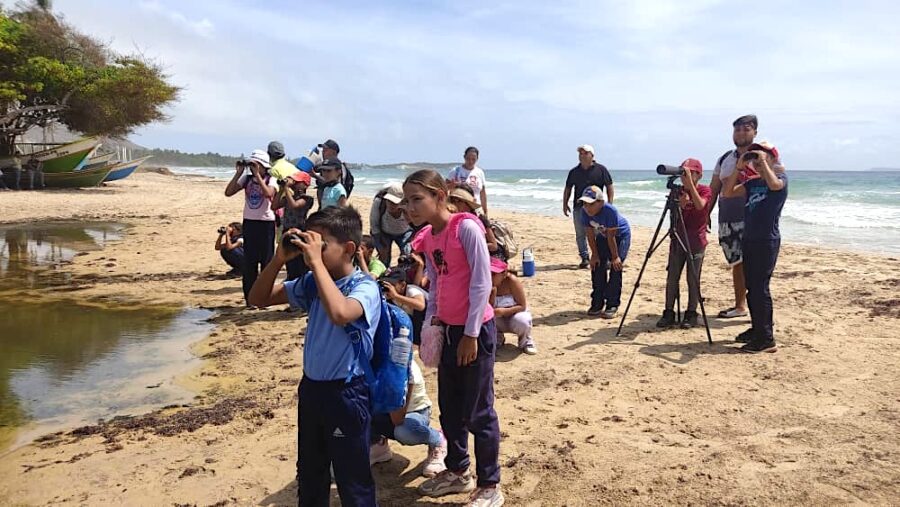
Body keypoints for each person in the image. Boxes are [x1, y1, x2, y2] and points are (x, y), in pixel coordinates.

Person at [247, 206, 381, 506]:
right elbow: (257, 299)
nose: (312, 250)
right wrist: (279, 258)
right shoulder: (311, 283)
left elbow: (340, 312)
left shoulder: (365, 287)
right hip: (312, 389)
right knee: (310, 471)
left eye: (321, 244)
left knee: (352, 476)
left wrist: (315, 264)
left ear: (349, 249)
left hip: (347, 392)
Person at [405, 170, 504, 506]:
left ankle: (490, 484)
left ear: (440, 196)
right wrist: (433, 322)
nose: (410, 207)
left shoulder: (466, 229)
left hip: (475, 331)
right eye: (407, 200)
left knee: (479, 410)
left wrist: (471, 334)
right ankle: (458, 471)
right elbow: (435, 282)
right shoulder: (429, 237)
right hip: (448, 330)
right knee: (449, 408)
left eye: (418, 199)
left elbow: (481, 284)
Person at [722, 141, 788, 353]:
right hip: (749, 239)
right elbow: (728, 192)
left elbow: (775, 185)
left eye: (763, 156)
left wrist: (763, 163)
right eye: (755, 158)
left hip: (766, 241)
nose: (757, 161)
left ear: (773, 159)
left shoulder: (780, 180)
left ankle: (766, 339)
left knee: (760, 289)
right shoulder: (751, 183)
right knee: (752, 288)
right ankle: (758, 328)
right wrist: (739, 167)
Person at [709, 115, 767, 319]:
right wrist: (705, 214)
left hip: (754, 219)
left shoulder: (763, 157)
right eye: (737, 130)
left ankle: (758, 308)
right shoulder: (725, 159)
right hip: (727, 218)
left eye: (746, 129)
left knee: (755, 264)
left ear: (755, 132)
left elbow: (776, 182)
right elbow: (714, 189)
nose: (741, 133)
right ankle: (740, 306)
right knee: (737, 263)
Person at [656, 159, 712, 329]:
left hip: (695, 240)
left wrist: (690, 191)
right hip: (677, 239)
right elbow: (672, 216)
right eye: (684, 173)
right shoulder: (678, 191)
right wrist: (678, 204)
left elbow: (701, 205)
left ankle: (691, 313)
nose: (685, 177)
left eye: (690, 173)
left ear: (699, 175)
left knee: (692, 278)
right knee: (672, 276)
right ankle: (669, 312)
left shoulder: (704, 190)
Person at [370, 359, 449, 478]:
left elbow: (397, 418)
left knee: (404, 432)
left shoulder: (399, 362)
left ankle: (438, 440)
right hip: (387, 412)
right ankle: (377, 444)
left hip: (414, 412)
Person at [224, 149, 277, 306]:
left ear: (263, 166)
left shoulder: (271, 179)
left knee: (266, 263)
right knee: (249, 264)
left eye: (256, 164)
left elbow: (269, 194)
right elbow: (228, 192)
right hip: (250, 223)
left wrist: (259, 177)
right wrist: (239, 173)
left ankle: (266, 298)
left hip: (266, 224)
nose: (253, 168)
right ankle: (250, 300)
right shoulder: (246, 179)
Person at [580, 185, 630, 319]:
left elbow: (611, 236)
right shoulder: (584, 212)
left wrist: (615, 257)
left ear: (600, 202)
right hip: (602, 236)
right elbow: (590, 234)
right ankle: (597, 301)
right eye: (584, 203)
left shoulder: (610, 211)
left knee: (615, 267)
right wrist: (594, 255)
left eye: (590, 204)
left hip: (619, 236)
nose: (587, 207)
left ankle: (612, 304)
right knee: (597, 266)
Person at [563, 144, 614, 269]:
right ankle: (585, 258)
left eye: (585, 153)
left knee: (600, 233)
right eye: (580, 153)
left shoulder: (601, 170)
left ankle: (602, 257)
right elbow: (568, 188)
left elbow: (609, 186)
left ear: (592, 155)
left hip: (597, 209)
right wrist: (565, 203)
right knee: (581, 233)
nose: (582, 156)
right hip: (579, 207)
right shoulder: (574, 172)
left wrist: (610, 203)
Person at [272, 171, 315, 281]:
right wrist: (281, 189)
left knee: (299, 262)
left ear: (305, 184)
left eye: (297, 182)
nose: (294, 183)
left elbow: (294, 205)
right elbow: (274, 206)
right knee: (289, 261)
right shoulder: (288, 197)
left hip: (299, 231)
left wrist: (286, 188)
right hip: (286, 230)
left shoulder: (307, 199)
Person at [489, 258, 536, 354]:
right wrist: (493, 293)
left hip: (515, 315)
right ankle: (497, 338)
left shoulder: (512, 281)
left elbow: (522, 306)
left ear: (504, 273)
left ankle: (525, 341)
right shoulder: (486, 283)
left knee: (522, 321)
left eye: (494, 274)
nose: (491, 277)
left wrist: (504, 311)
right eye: (489, 273)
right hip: (498, 319)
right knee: (487, 318)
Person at [447, 184, 504, 260]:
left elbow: (494, 246)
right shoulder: (450, 219)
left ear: (468, 204)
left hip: (484, 257)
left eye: (458, 200)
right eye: (452, 200)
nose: (454, 203)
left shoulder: (479, 219)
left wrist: (471, 246)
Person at [369, 183, 413, 266]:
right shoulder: (379, 203)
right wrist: (380, 245)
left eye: (395, 202)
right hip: (384, 233)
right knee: (384, 260)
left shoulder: (409, 207)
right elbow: (374, 224)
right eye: (389, 201)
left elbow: (416, 224)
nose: (390, 205)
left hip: (405, 233)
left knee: (407, 256)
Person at [380, 269, 428, 345]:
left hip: (429, 326)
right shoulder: (389, 296)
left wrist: (396, 296)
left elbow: (420, 305)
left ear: (402, 285)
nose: (389, 288)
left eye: (392, 285)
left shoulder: (412, 290)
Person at [446, 146, 490, 218]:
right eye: (468, 158)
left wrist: (485, 211)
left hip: (476, 208)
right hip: (458, 209)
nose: (470, 161)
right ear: (464, 157)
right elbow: (443, 189)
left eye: (473, 159)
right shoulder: (455, 171)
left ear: (477, 159)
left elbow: (482, 193)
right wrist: (450, 187)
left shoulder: (479, 172)